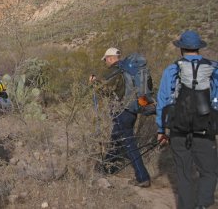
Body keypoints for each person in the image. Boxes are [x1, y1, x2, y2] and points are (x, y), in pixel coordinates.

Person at [156, 30, 218, 209]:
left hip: (179, 130)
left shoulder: (172, 69)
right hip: (205, 131)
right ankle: (203, 205)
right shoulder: (213, 69)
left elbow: (163, 101)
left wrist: (161, 130)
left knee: (184, 175)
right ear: (199, 48)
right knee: (209, 172)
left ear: (181, 48)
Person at [90, 47, 151, 187]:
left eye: (106, 59)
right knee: (116, 139)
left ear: (111, 58)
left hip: (121, 111)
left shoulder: (114, 71)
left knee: (129, 144)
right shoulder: (129, 70)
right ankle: (106, 168)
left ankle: (143, 177)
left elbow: (104, 90)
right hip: (132, 110)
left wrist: (94, 83)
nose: (105, 62)